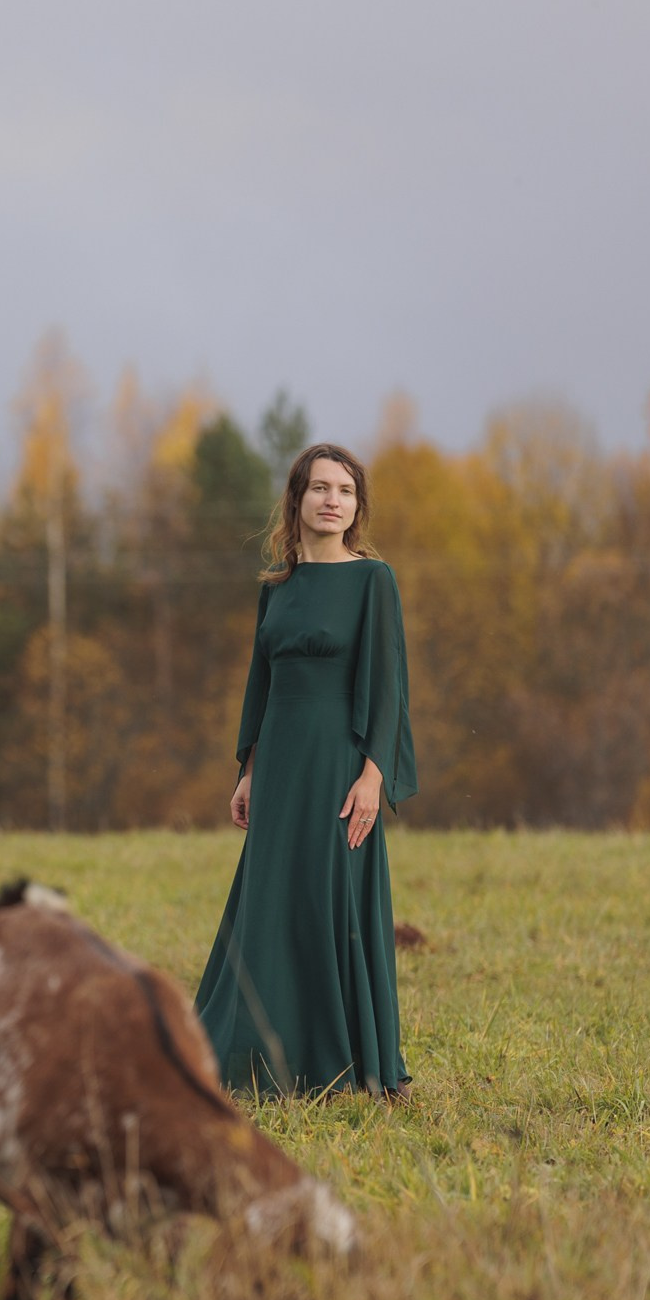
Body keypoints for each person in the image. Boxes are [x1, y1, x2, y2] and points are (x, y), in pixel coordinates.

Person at [194, 443, 417, 1097]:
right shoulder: (276, 588)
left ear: (356, 506)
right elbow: (260, 681)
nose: (331, 500)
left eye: (344, 491)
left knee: (332, 901)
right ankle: (259, 1060)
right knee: (272, 902)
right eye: (319, 488)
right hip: (282, 763)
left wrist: (373, 775)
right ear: (296, 501)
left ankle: (351, 1064)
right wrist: (248, 769)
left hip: (338, 766)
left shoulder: (374, 580)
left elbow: (388, 686)